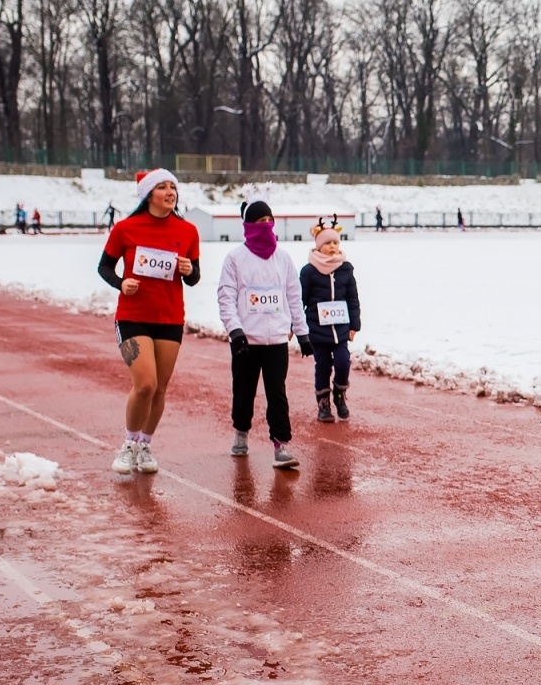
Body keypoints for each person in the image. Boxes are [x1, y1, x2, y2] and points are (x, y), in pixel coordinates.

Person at [97, 169, 201, 475]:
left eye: (173, 187)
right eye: (162, 187)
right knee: (145, 384)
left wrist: (189, 270)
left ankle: (145, 445)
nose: (170, 193)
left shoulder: (188, 230)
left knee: (160, 389)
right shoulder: (125, 228)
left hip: (169, 318)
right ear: (148, 195)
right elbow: (104, 267)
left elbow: (195, 277)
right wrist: (121, 283)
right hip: (132, 317)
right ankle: (129, 444)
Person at [217, 201, 311, 469]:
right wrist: (235, 331)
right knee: (244, 390)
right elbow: (226, 297)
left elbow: (293, 297)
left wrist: (302, 333)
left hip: (277, 340)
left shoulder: (283, 258)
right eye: (260, 221)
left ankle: (281, 444)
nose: (266, 225)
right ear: (248, 225)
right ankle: (241, 431)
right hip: (246, 340)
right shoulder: (235, 258)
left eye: (269, 220)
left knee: (277, 393)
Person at [300, 222, 361, 422]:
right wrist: (295, 325)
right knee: (323, 365)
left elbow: (352, 298)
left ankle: (340, 394)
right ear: (318, 246)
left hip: (341, 329)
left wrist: (354, 325)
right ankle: (323, 403)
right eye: (328, 243)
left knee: (343, 362)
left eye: (335, 243)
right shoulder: (309, 271)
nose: (333, 247)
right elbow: (300, 299)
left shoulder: (345, 269)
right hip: (318, 329)